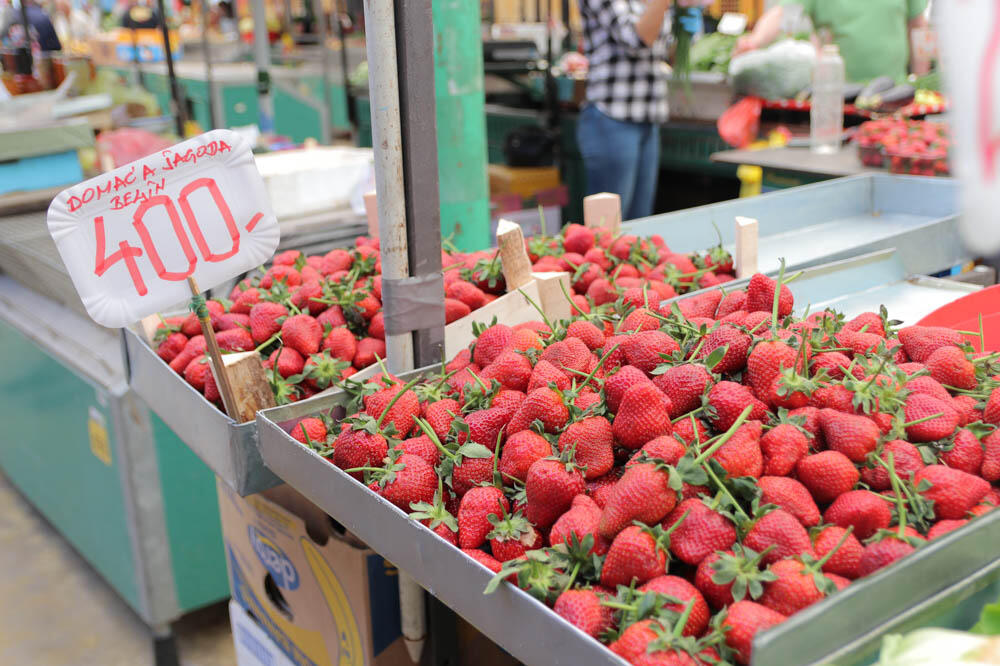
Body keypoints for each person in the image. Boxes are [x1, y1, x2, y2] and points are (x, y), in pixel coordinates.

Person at [576, 1, 700, 221]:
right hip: (611, 117)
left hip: (648, 117)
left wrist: (684, 35)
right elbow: (638, 40)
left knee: (639, 227)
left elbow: (661, 50)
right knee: (608, 229)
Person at [734, 1, 930, 82]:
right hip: (837, 101)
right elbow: (783, 12)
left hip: (894, 99)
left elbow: (919, 27)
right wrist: (754, 41)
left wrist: (921, 83)